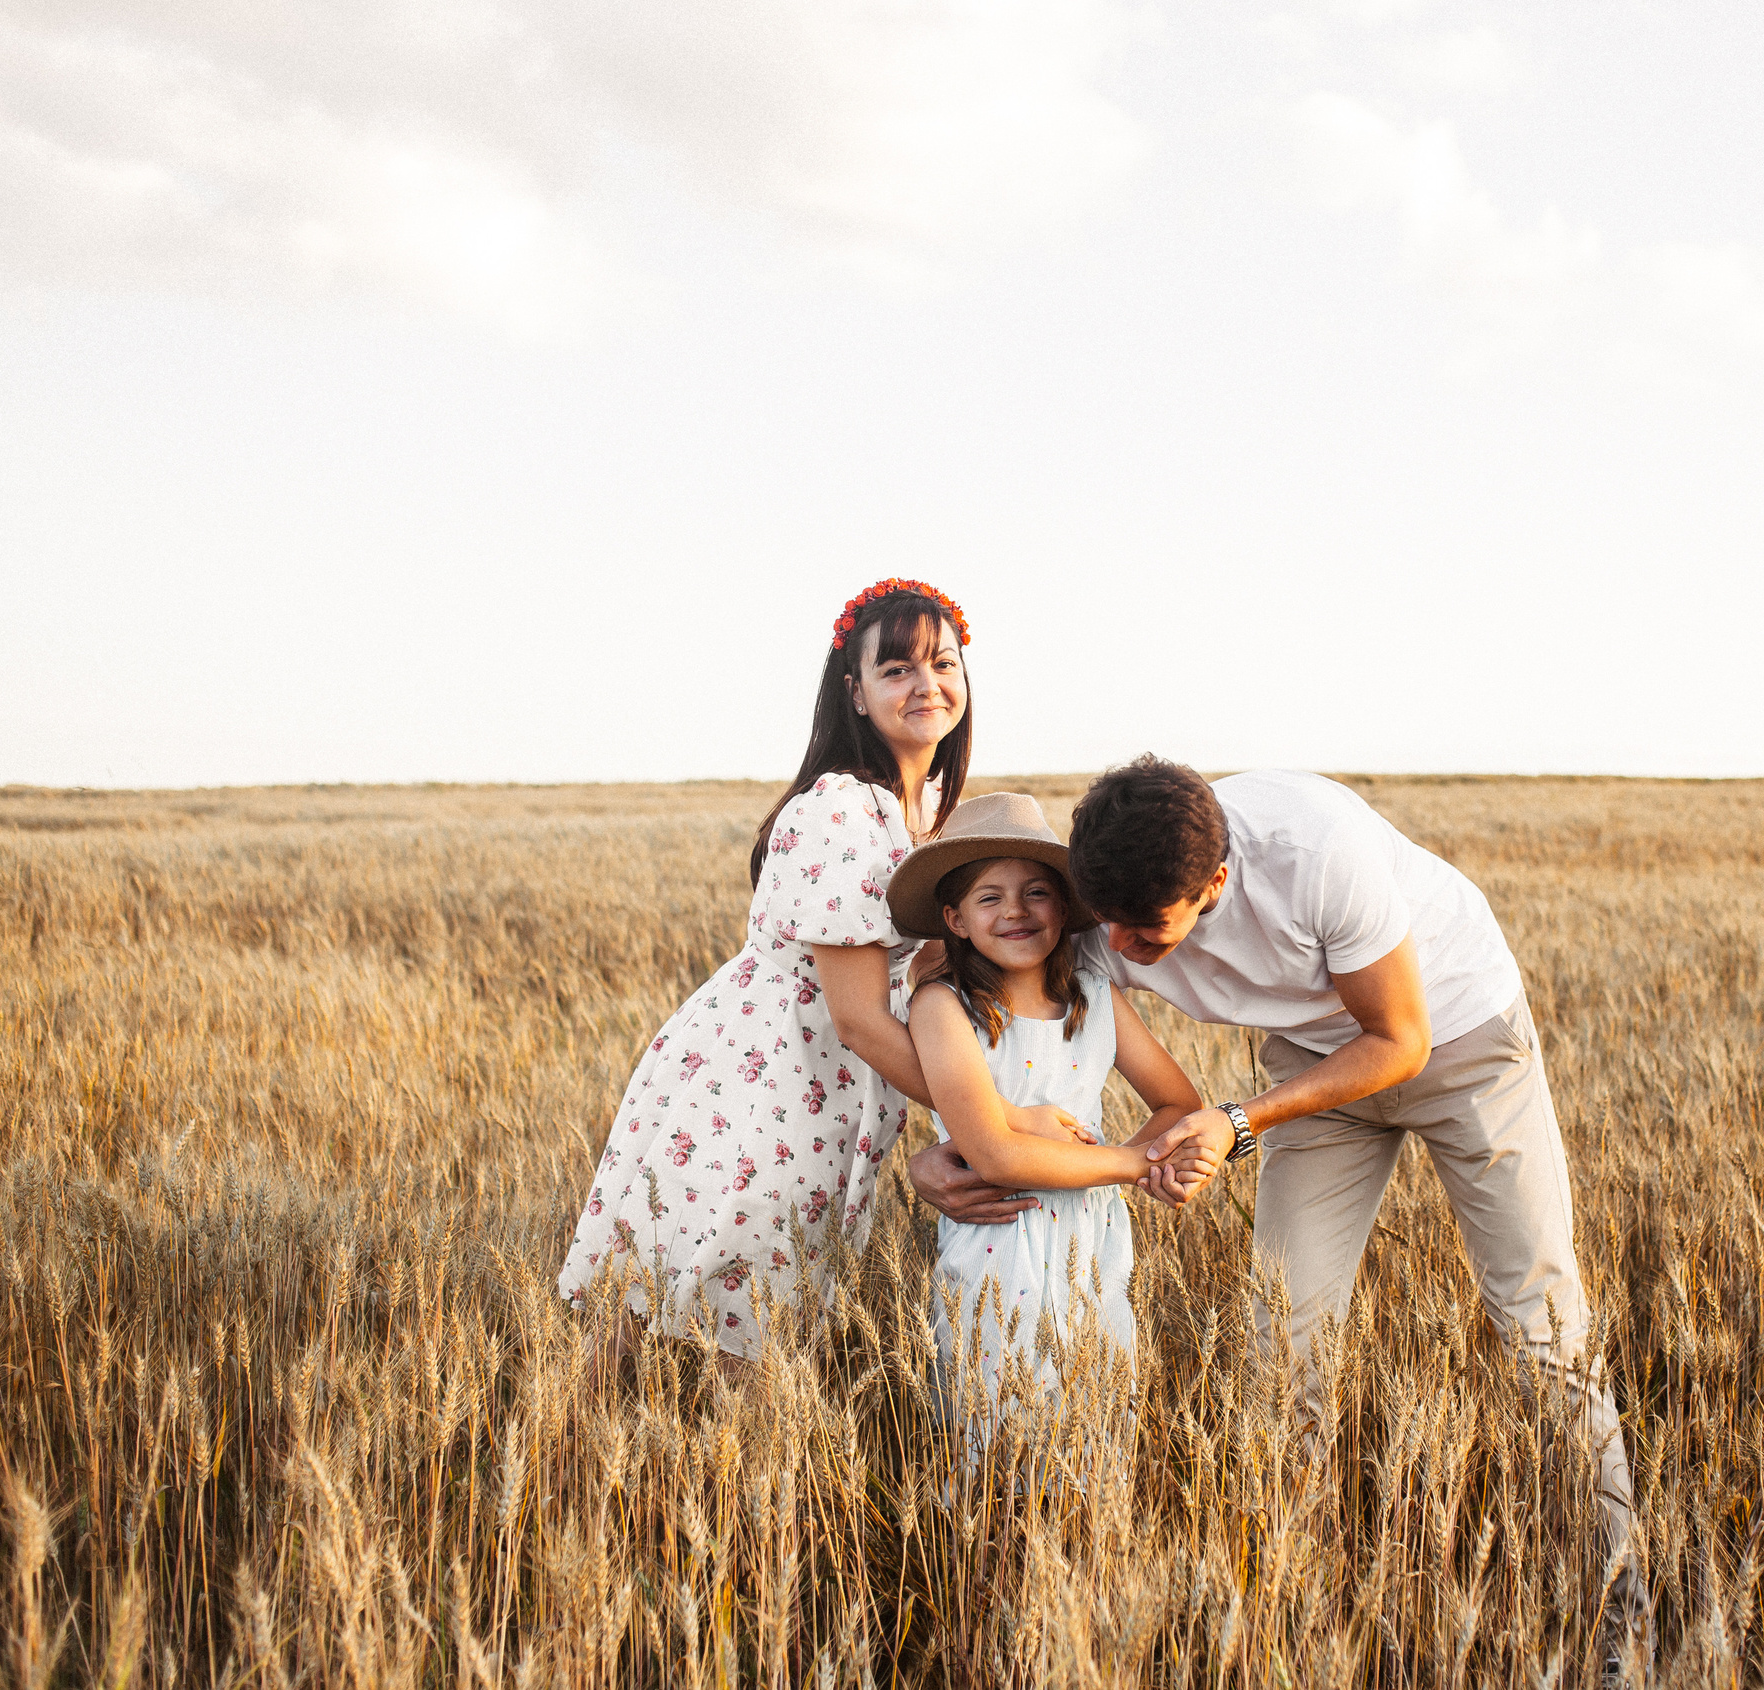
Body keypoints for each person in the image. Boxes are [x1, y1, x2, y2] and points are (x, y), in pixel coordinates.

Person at [906, 757, 1654, 1673]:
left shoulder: (1316, 851)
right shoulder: (1101, 900)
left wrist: (1235, 1123)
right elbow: (948, 990)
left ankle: (1623, 1622)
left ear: (1216, 885)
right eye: (1110, 924)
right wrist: (944, 1141)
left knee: (1542, 1331)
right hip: (1312, 1064)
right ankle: (1298, 1610)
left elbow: (1399, 1040)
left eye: (1150, 934)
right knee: (1279, 1337)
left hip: (1458, 1039)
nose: (1123, 947)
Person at [558, 580, 1081, 1360]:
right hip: (767, 1076)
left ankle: (643, 1474)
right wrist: (996, 1123)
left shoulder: (933, 812)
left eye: (942, 663)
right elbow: (860, 1016)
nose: (925, 684)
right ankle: (565, 1470)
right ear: (856, 694)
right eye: (896, 669)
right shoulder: (840, 809)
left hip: (837, 1088)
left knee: (749, 1316)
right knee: (683, 1315)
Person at [887, 792, 1207, 1440]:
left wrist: (1120, 1169)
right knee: (998, 1424)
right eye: (989, 897)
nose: (1015, 910)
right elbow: (996, 1155)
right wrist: (1133, 1165)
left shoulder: (1095, 996)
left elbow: (1179, 1103)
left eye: (1036, 891)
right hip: (996, 1241)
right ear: (954, 918)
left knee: (1096, 1417)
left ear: (1065, 906)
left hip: (1092, 1240)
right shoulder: (943, 1008)